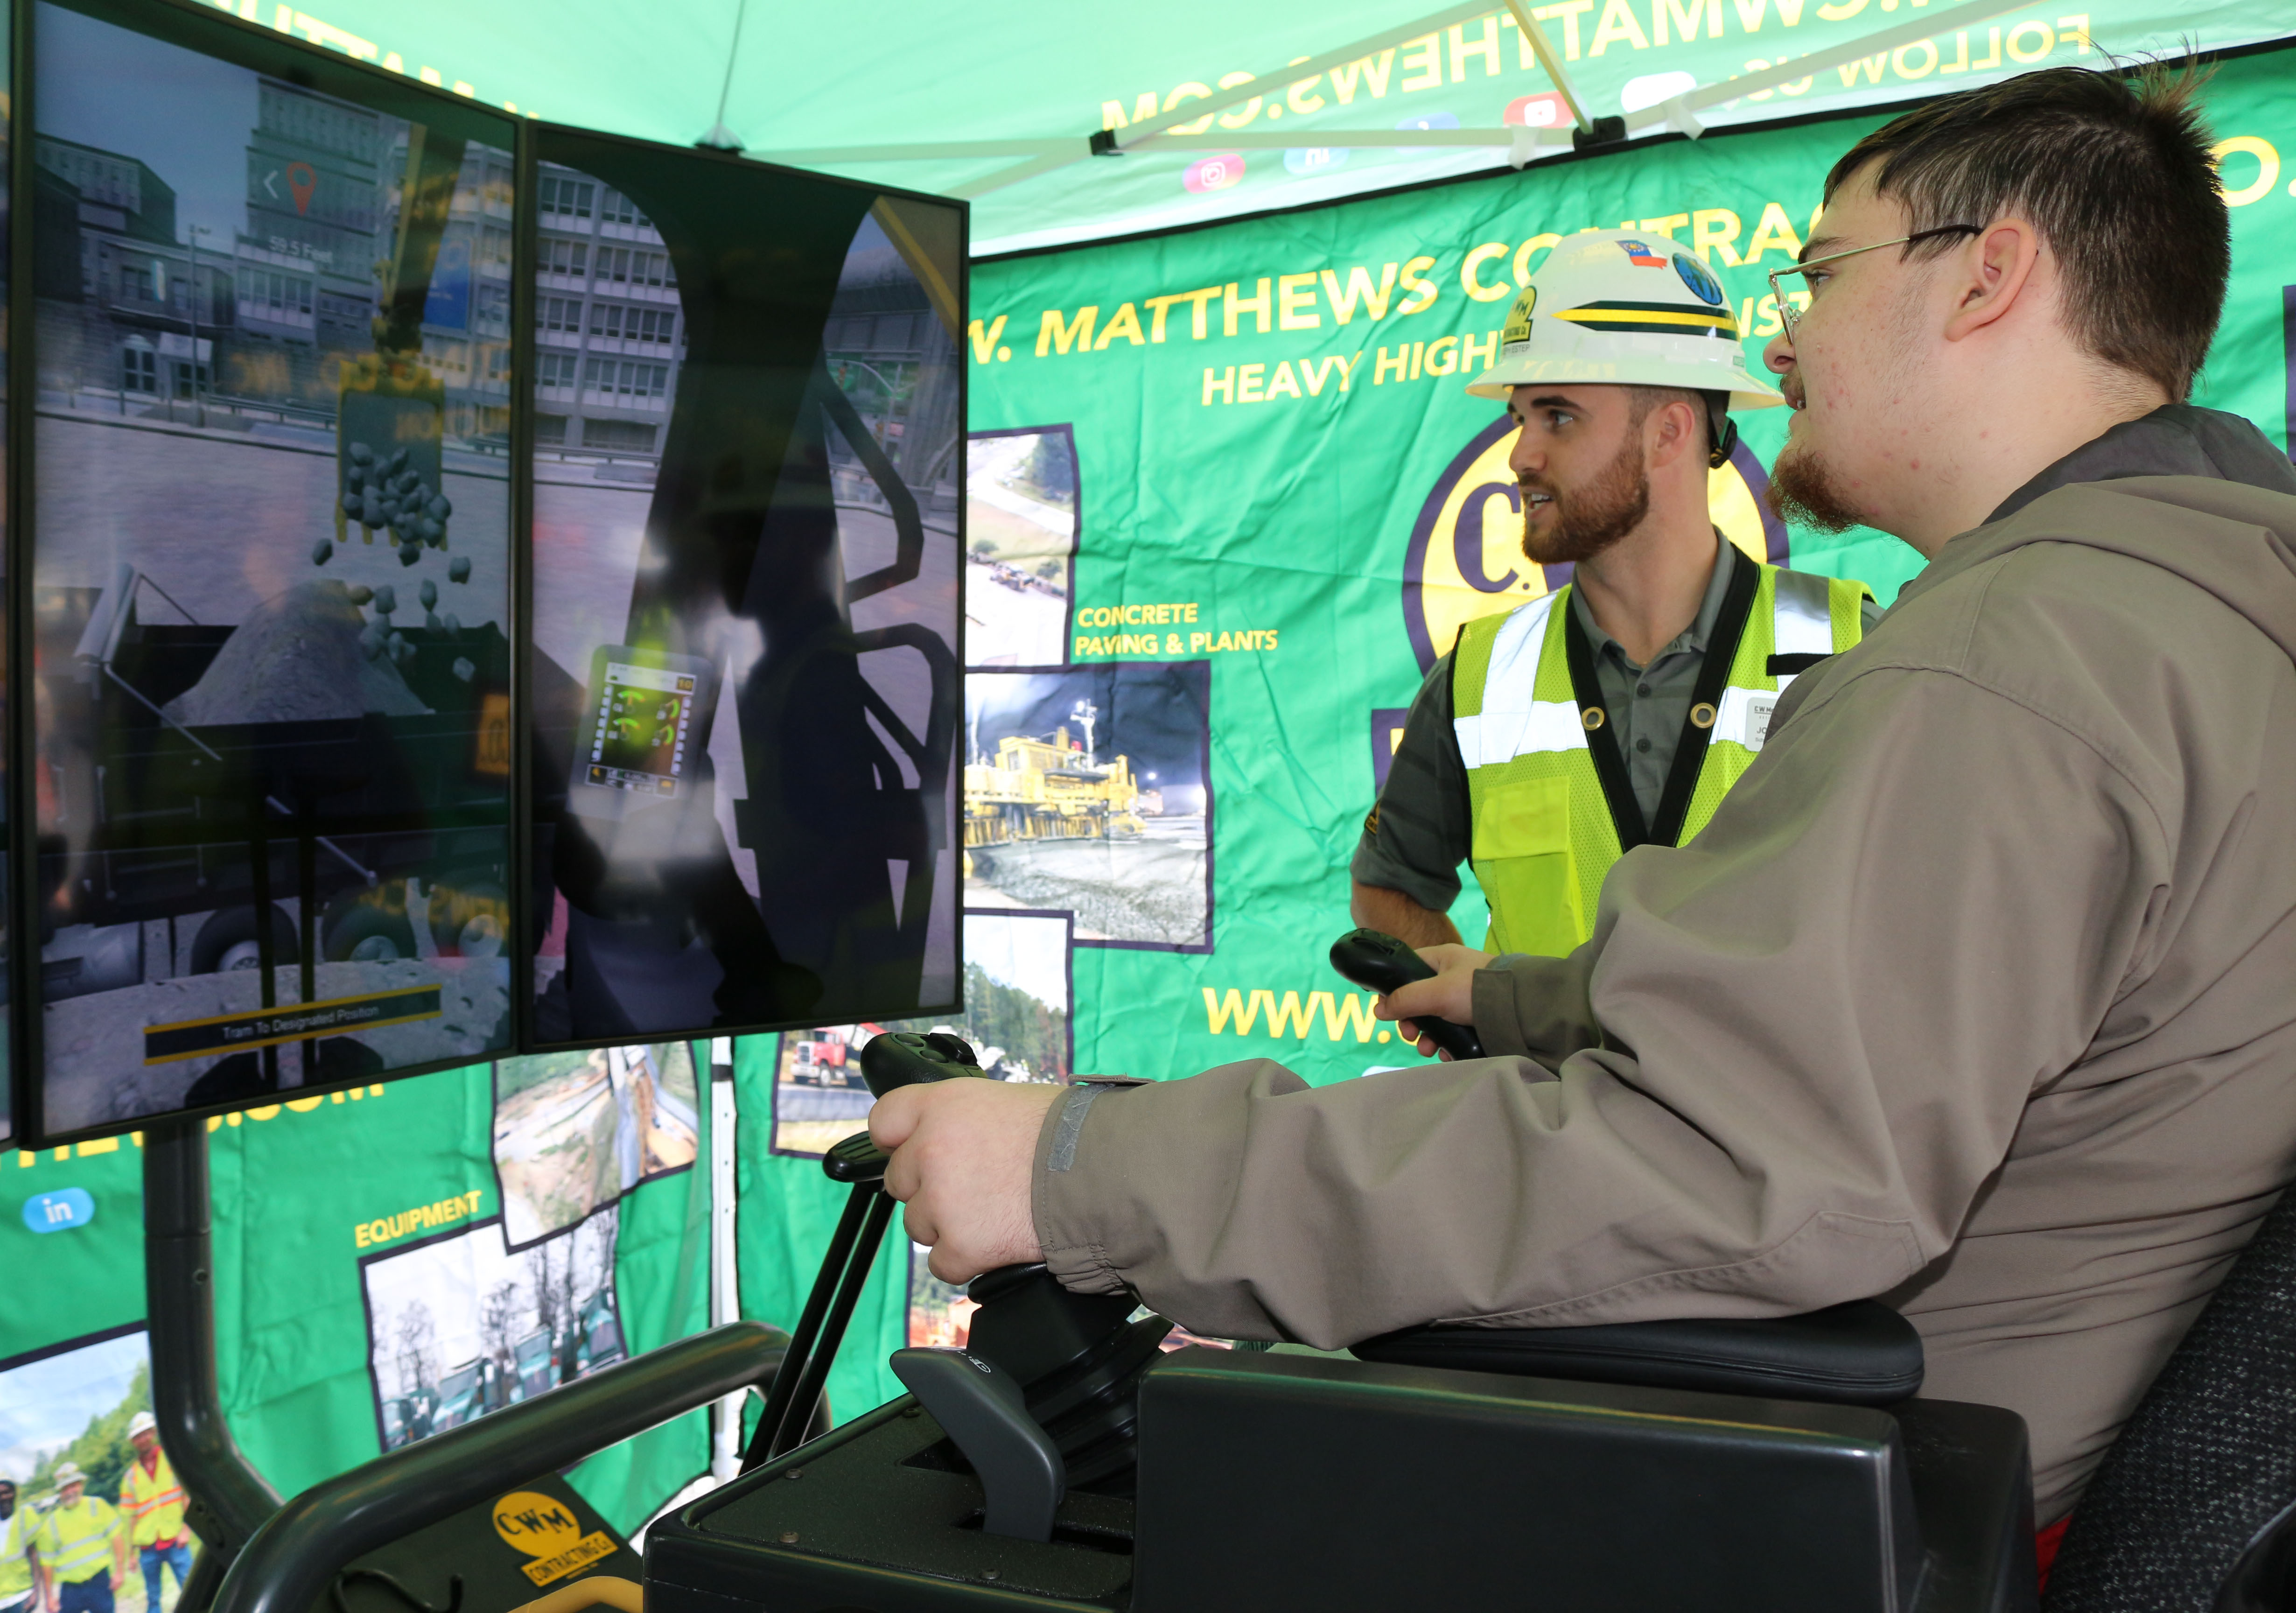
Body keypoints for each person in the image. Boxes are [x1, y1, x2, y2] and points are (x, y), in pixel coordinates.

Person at [868, 61, 2296, 1557]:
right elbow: (1916, 1016)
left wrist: (1080, 1171)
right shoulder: (2205, 613)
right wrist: (1518, 994)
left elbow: (1732, 1171)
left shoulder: (2001, 663)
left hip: (1845, 1478)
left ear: (1987, 275)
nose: (1790, 337)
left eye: (1817, 272)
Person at [1352, 234, 1878, 954]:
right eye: (1519, 418)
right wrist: (1477, 1016)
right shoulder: (1478, 677)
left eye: (1558, 417)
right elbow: (1390, 887)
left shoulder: (1849, 648)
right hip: (1544, 1075)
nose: (1520, 454)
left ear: (1668, 432)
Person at [116, 1417, 187, 1613]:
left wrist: (186, 1530)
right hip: (148, 1548)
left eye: (147, 1433)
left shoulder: (172, 1459)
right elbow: (131, 1518)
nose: (144, 1439)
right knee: (153, 1599)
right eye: (138, 1436)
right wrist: (131, 1554)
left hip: (176, 1541)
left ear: (154, 1433)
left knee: (191, 1590)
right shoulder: (130, 1477)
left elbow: (187, 1496)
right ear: (133, 1442)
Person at [30, 1466, 123, 1613]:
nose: (69, 1492)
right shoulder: (51, 1523)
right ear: (60, 1492)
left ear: (81, 1485)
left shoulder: (98, 1506)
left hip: (100, 1582)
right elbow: (47, 1563)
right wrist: (50, 1597)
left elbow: (116, 1536)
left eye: (73, 1486)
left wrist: (119, 1572)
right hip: (70, 1590)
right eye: (65, 1488)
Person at [0, 1481, 38, 1613]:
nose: (3, 1497)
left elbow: (34, 1556)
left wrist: (36, 1592)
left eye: (7, 1492)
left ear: (14, 1494)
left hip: (21, 1597)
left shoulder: (25, 1516)